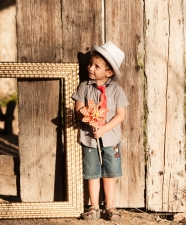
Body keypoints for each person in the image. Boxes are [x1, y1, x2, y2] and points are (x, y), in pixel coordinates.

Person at [71, 41, 129, 221]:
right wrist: (90, 116)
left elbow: (120, 115)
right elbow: (79, 109)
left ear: (109, 72)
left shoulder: (117, 91)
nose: (91, 68)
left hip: (110, 139)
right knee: (92, 173)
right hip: (89, 139)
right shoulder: (84, 87)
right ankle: (94, 206)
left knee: (109, 173)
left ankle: (110, 205)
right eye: (90, 64)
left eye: (97, 66)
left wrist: (104, 128)